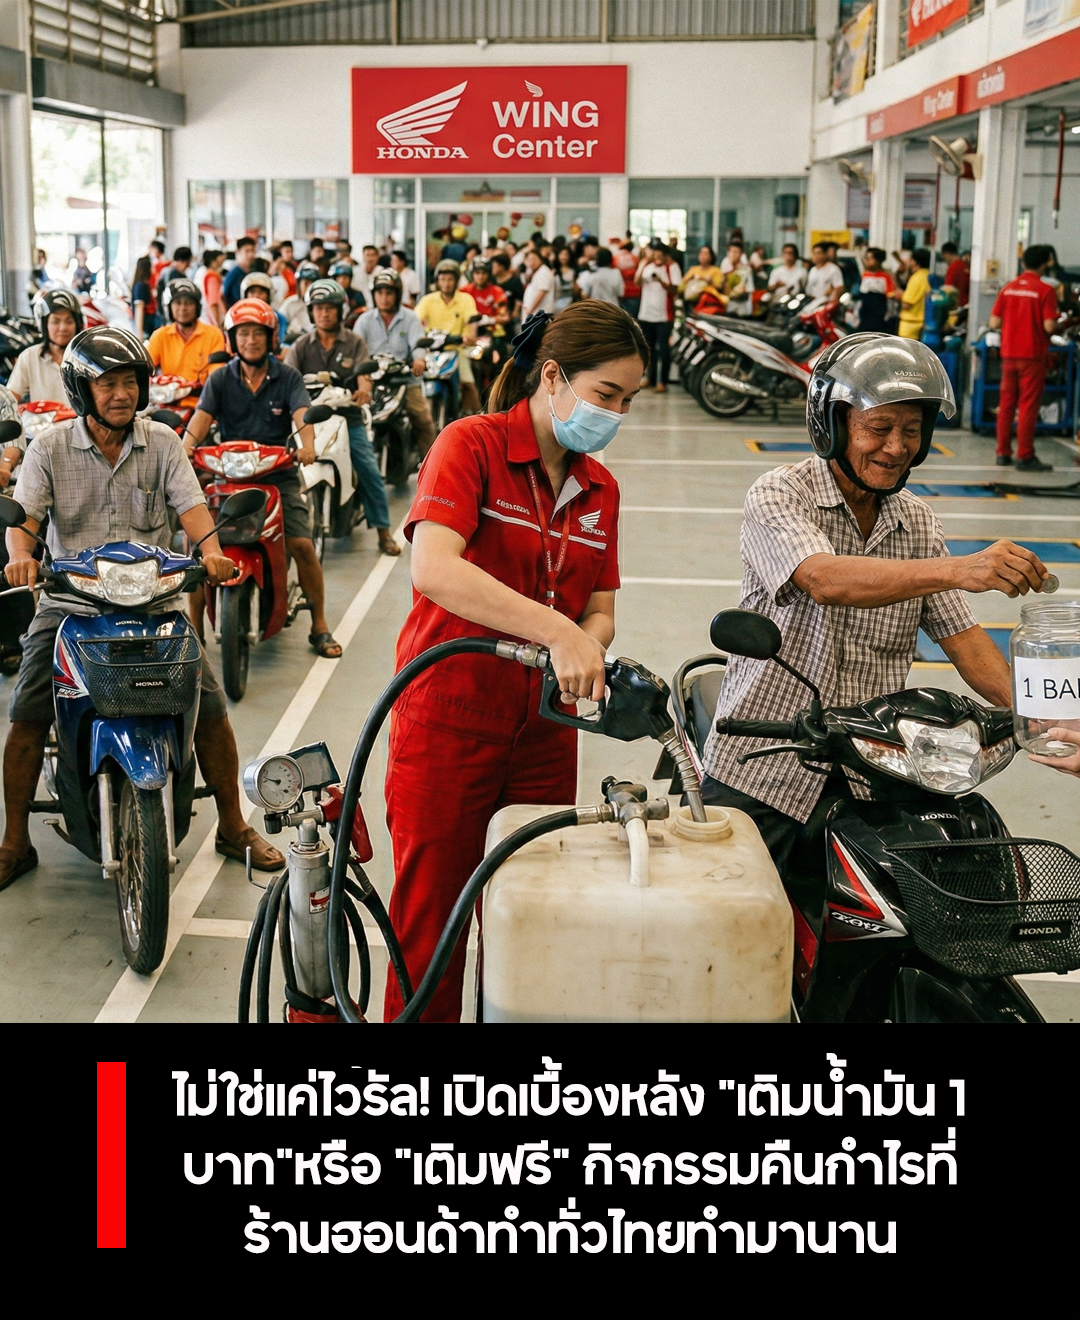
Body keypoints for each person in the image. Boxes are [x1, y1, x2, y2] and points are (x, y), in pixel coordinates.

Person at [699, 334, 1050, 894]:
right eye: (879, 428)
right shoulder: (780, 494)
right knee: (733, 927)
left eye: (912, 431)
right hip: (766, 767)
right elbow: (823, 579)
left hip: (874, 774)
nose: (896, 447)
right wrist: (958, 569)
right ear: (833, 425)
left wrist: (1040, 718)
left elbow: (963, 639)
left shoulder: (917, 521)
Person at [382, 301, 647, 1022]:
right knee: (432, 926)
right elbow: (435, 567)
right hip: (448, 717)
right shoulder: (470, 445)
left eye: (628, 401)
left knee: (530, 917)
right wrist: (559, 633)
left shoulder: (600, 489)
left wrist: (586, 642)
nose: (616, 414)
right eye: (606, 394)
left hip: (545, 731)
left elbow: (601, 610)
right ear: (552, 376)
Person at [0, 325, 286, 890]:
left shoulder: (162, 442)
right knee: (28, 713)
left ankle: (233, 825)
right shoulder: (49, 447)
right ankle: (14, 841)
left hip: (154, 602)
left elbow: (193, 508)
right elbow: (25, 522)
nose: (121, 394)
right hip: (69, 604)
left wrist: (212, 552)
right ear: (82, 390)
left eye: (130, 382)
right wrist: (21, 558)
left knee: (209, 706)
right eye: (107, 384)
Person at [181, 299, 344, 658]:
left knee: (301, 543)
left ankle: (319, 625)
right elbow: (201, 418)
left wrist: (307, 446)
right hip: (228, 475)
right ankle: (194, 631)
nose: (251, 340)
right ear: (231, 339)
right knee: (197, 546)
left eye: (258, 333)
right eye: (243, 334)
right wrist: (185, 447)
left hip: (277, 474)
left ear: (271, 338)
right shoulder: (220, 378)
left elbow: (302, 414)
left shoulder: (288, 376)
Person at [284, 278, 400, 557]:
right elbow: (287, 380)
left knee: (368, 468)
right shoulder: (301, 346)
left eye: (330, 308)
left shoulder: (354, 342)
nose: (324, 313)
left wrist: (363, 391)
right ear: (311, 312)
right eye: (318, 308)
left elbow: (364, 376)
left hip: (347, 416)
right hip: (309, 418)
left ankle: (383, 532)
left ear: (340, 310)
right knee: (282, 466)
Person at [989, 243, 1060, 472]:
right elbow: (1049, 326)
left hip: (1009, 354)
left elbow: (994, 322)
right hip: (1032, 355)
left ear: (1023, 262)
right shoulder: (1045, 290)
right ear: (1045, 264)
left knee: (1006, 404)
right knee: (1028, 406)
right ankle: (1025, 456)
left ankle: (1002, 453)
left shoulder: (1008, 288)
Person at [354, 269, 438, 458]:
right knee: (356, 420)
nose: (384, 298)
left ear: (398, 294)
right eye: (379, 293)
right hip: (373, 381)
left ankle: (432, 464)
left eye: (389, 293)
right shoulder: (364, 320)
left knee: (424, 421)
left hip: (405, 381)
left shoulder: (410, 317)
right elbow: (357, 349)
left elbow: (417, 344)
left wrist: (419, 360)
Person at [146, 278, 227, 410]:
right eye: (178, 303)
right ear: (169, 308)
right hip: (167, 404)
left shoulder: (214, 334)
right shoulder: (160, 335)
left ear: (197, 307)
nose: (183, 308)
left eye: (188, 303)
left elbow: (215, 376)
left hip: (203, 405)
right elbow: (145, 369)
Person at [415, 261, 481, 416]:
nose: (446, 283)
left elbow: (471, 323)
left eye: (450, 279)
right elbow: (415, 321)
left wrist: (469, 337)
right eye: (443, 279)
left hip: (457, 349)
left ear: (456, 280)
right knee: (416, 381)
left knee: (468, 383)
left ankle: (476, 416)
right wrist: (421, 336)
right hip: (433, 351)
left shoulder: (466, 299)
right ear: (437, 281)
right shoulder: (428, 300)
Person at [8, 288, 83, 402]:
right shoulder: (29, 357)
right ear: (44, 325)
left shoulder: (87, 358)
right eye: (55, 322)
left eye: (69, 321)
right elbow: (11, 398)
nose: (63, 328)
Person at [635, 242, 680, 392]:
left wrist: (661, 281)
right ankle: (651, 377)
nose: (657, 258)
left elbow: (675, 289)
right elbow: (637, 282)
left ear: (666, 255)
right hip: (646, 313)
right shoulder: (647, 267)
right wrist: (643, 264)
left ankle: (663, 381)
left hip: (664, 316)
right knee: (649, 348)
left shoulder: (672, 267)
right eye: (655, 254)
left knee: (663, 348)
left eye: (660, 255)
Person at [239, 270, 289, 349]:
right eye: (252, 292)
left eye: (261, 292)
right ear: (245, 295)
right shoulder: (238, 317)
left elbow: (282, 341)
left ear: (269, 295)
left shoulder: (279, 318)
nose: (256, 296)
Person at [857, 247, 897, 334]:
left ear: (878, 261)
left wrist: (888, 316)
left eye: (869, 259)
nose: (866, 261)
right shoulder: (864, 275)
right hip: (865, 315)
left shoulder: (885, 276)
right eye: (866, 259)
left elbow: (890, 297)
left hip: (879, 317)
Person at [896, 247, 931, 340]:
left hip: (910, 324)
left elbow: (907, 304)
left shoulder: (916, 278)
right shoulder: (929, 276)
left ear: (914, 262)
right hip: (923, 322)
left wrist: (900, 297)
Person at [280, 260, 318, 343]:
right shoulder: (290, 303)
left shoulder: (321, 305)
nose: (309, 287)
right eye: (306, 283)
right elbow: (280, 324)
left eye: (312, 284)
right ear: (299, 284)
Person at [490, 252, 524, 327]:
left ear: (502, 267)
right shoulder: (491, 280)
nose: (492, 269)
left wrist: (515, 313)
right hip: (494, 318)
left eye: (494, 267)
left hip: (510, 318)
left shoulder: (515, 281)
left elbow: (519, 299)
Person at [222, 236, 256, 309]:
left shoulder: (253, 273)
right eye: (247, 251)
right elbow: (223, 296)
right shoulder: (233, 274)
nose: (251, 255)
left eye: (252, 251)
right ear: (238, 252)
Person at [521, 249, 557, 317]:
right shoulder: (536, 272)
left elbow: (542, 292)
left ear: (540, 258)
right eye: (529, 260)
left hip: (539, 314)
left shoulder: (544, 272)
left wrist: (530, 310)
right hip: (534, 315)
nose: (532, 262)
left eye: (534, 259)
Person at [131, 255, 157, 339]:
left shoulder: (143, 285)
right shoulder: (140, 286)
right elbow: (139, 309)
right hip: (146, 328)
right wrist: (140, 333)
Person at [614, 238, 641, 318]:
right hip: (634, 292)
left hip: (620, 292)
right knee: (632, 318)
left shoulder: (615, 258)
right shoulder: (635, 258)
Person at [200, 250, 227, 327]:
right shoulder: (212, 277)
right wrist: (217, 324)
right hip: (213, 318)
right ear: (213, 261)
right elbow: (213, 302)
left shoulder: (204, 273)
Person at [941, 242, 970, 307]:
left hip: (956, 304)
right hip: (966, 302)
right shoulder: (964, 265)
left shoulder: (953, 267)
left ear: (946, 254)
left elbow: (948, 288)